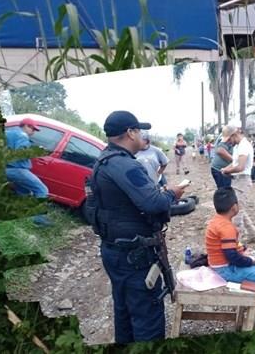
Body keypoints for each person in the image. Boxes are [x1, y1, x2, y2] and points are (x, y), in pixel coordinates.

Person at [91, 111, 186, 344]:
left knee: (124, 311)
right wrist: (172, 193)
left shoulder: (102, 160)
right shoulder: (125, 165)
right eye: (139, 130)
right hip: (134, 257)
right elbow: (153, 203)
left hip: (114, 250)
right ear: (130, 133)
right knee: (147, 317)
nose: (142, 134)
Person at [206, 187, 255, 328]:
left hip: (220, 264)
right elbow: (232, 257)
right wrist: (250, 260)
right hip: (224, 269)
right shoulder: (227, 227)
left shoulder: (216, 221)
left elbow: (230, 247)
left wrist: (243, 250)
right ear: (234, 207)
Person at [220, 126, 255, 243]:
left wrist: (227, 171)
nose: (228, 142)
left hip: (243, 180)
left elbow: (240, 167)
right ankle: (253, 235)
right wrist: (225, 169)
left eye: (229, 139)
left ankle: (237, 242)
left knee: (236, 213)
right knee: (239, 209)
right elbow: (234, 163)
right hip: (237, 180)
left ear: (234, 135)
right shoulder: (238, 146)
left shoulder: (244, 145)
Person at [5, 117, 48, 198]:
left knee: (24, 192)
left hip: (6, 168)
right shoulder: (23, 136)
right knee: (42, 190)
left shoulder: (8, 133)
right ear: (25, 126)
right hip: (17, 170)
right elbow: (21, 153)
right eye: (33, 129)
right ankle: (39, 211)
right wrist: (37, 151)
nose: (33, 132)